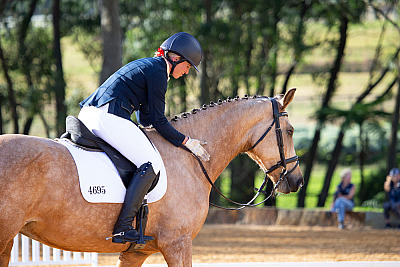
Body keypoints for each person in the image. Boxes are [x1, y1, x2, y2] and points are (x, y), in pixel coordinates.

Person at [78, 32, 210, 245]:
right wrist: (187, 141)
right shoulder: (158, 73)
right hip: (107, 116)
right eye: (187, 66)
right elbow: (158, 121)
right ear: (176, 58)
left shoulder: (153, 67)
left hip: (93, 114)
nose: (187, 72)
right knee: (151, 164)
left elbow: (146, 117)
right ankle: (123, 227)